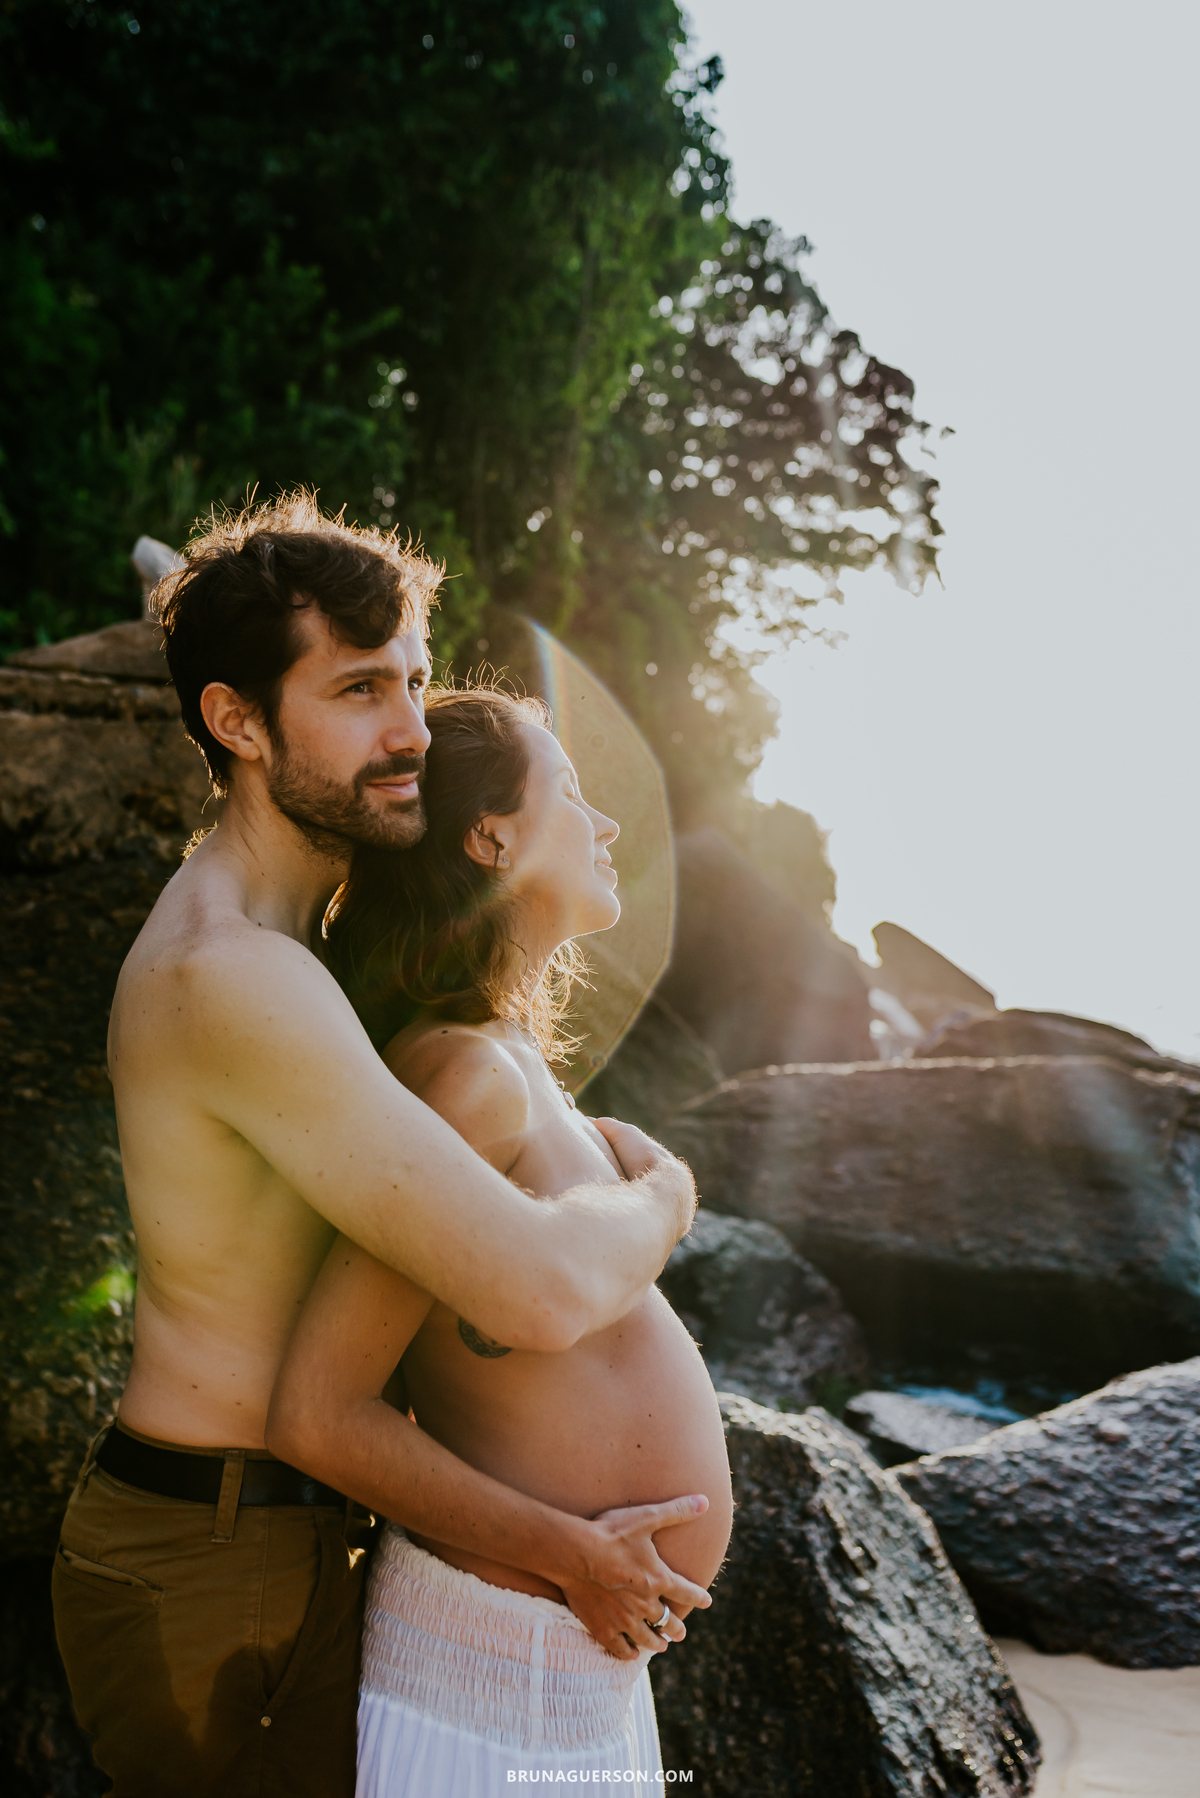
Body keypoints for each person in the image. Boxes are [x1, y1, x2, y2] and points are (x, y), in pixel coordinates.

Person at [51, 495, 703, 1798]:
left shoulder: (300, 934)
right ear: (236, 722)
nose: (409, 728)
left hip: (273, 1534)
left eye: (412, 677)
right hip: (212, 1553)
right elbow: (537, 1287)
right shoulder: (232, 974)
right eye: (359, 689)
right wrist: (667, 1195)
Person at [268, 686, 734, 1793]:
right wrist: (578, 1557)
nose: (608, 825)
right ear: (491, 837)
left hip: (569, 1679)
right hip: (488, 1694)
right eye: (573, 792)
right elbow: (320, 1412)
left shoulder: (520, 1069)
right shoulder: (464, 1077)